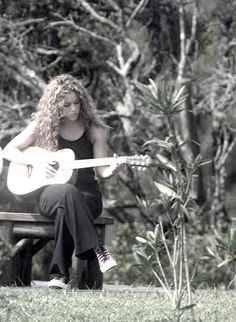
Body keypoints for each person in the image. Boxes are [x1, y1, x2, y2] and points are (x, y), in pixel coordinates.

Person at [3, 74, 120, 289]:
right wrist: (37, 162)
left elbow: (102, 171)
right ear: (55, 105)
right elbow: (8, 150)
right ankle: (96, 249)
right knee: (65, 192)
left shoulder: (95, 129)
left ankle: (58, 276)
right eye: (66, 105)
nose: (73, 109)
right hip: (50, 193)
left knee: (67, 204)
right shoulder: (43, 125)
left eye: (77, 103)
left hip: (87, 195)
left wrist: (111, 171)